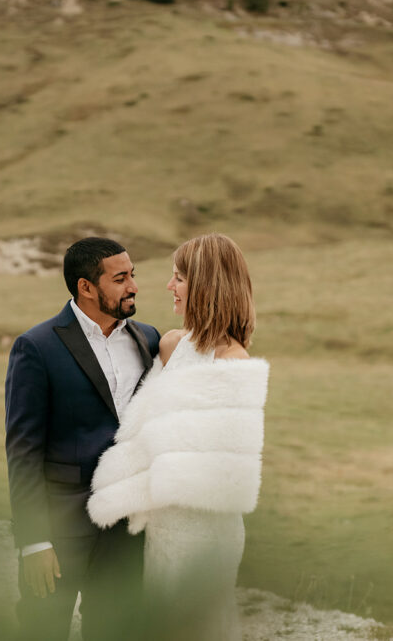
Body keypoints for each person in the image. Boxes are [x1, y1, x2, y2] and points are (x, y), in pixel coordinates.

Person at [87, 233, 269, 641]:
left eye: (179, 278)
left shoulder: (234, 361)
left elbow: (225, 467)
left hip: (205, 529)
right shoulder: (171, 345)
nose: (169, 287)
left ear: (206, 286)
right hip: (164, 526)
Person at [4, 237, 161, 641]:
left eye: (133, 276)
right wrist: (33, 541)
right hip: (60, 529)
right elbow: (23, 450)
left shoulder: (150, 339)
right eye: (120, 278)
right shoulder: (37, 347)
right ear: (86, 287)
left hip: (125, 530)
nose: (133, 287)